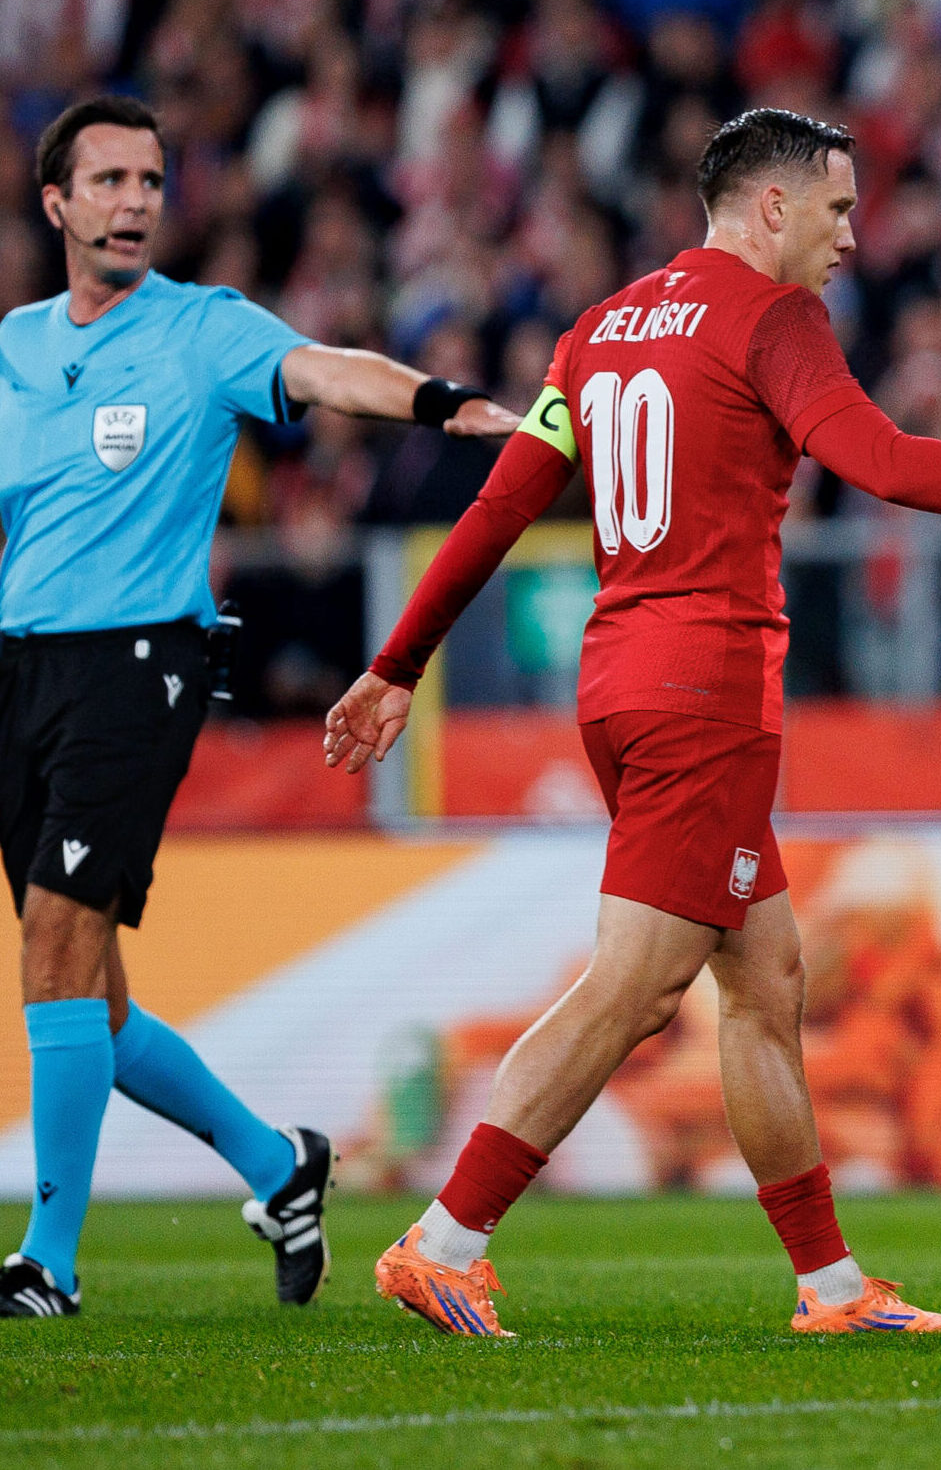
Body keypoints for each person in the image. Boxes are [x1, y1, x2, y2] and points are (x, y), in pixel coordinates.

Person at [324, 108, 941, 1339]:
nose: (852, 236)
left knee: (767, 981)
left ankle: (832, 1290)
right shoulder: (770, 318)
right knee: (634, 990)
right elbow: (881, 462)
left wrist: (396, 664)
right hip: (704, 692)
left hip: (618, 685)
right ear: (771, 206)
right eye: (838, 209)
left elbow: (500, 507)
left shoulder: (600, 331)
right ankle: (446, 1238)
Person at [0, 95, 523, 1319]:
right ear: (57, 205)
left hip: (138, 660)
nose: (136, 201)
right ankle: (278, 1164)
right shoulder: (16, 346)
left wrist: (441, 402)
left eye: (151, 180)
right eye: (111, 181)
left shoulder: (203, 330)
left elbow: (324, 370)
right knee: (89, 993)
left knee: (56, 948)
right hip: (20, 669)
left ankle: (50, 1261)